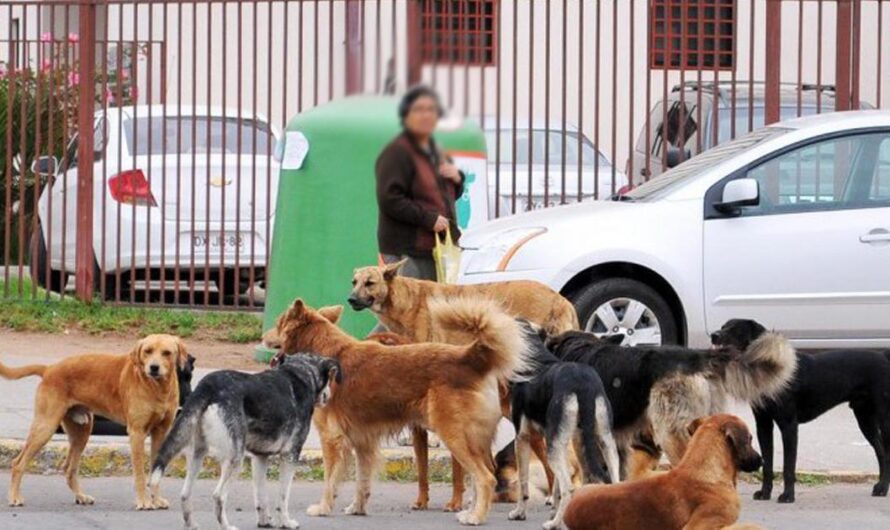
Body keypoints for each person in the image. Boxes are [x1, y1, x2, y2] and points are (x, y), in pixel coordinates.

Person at [375, 85, 464, 280]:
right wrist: (429, 219)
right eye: (419, 109)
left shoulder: (435, 149)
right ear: (406, 115)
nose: (426, 115)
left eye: (431, 110)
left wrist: (457, 180)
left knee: (431, 307)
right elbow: (390, 199)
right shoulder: (397, 152)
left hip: (432, 247)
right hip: (407, 249)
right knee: (411, 309)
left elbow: (444, 196)